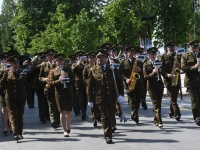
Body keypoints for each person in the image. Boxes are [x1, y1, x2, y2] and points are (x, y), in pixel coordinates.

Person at [87, 49, 124, 144]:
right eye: (98, 58)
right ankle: (108, 136)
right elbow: (90, 86)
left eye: (102, 57)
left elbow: (119, 82)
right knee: (105, 117)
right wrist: (90, 100)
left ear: (106, 59)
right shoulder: (93, 70)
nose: (99, 59)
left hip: (111, 97)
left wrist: (121, 94)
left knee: (111, 116)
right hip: (100, 98)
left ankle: (108, 130)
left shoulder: (112, 69)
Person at [0, 55, 27, 141]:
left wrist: (14, 72)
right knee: (12, 114)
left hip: (21, 95)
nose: (15, 64)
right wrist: (4, 75)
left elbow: (22, 79)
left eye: (17, 63)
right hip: (10, 96)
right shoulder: (7, 72)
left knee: (20, 113)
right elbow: (1, 84)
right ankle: (15, 133)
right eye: (13, 63)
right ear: (10, 64)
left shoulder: (22, 70)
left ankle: (20, 132)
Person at [50, 53, 74, 137]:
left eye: (61, 60)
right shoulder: (53, 71)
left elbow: (73, 80)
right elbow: (51, 83)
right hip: (59, 93)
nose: (60, 62)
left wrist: (67, 77)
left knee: (69, 112)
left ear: (64, 61)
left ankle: (68, 124)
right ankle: (64, 130)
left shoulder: (68, 69)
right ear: (56, 62)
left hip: (68, 92)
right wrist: (59, 80)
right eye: (58, 61)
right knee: (62, 111)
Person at [119, 45, 143, 124]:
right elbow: (120, 74)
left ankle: (134, 114)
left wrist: (140, 70)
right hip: (129, 84)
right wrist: (126, 79)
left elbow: (144, 73)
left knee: (138, 101)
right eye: (130, 52)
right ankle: (135, 116)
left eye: (133, 52)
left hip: (138, 84)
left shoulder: (138, 62)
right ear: (127, 53)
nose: (132, 53)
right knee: (133, 101)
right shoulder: (123, 62)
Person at [143, 47, 166, 128]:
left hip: (159, 85)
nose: (153, 55)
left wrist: (160, 70)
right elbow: (145, 77)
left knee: (158, 103)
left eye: (154, 54)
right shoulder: (146, 64)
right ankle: (160, 122)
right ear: (149, 55)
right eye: (151, 54)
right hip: (151, 86)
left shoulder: (159, 62)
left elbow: (164, 73)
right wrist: (153, 73)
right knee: (155, 103)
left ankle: (156, 119)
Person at [39, 49, 60, 128]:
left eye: (52, 55)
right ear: (47, 57)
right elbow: (40, 77)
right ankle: (53, 121)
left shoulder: (58, 64)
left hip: (57, 87)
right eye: (49, 56)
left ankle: (58, 120)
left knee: (57, 104)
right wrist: (44, 79)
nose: (51, 57)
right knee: (51, 105)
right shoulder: (44, 65)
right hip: (48, 88)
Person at [181, 39, 200, 126]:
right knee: (195, 101)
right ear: (190, 48)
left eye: (197, 47)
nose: (196, 49)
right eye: (194, 47)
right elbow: (184, 68)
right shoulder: (185, 56)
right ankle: (197, 118)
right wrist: (195, 67)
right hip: (191, 81)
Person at [161, 41, 181, 121]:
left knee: (174, 97)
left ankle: (171, 112)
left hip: (176, 78)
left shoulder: (178, 56)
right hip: (168, 79)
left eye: (172, 47)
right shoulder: (163, 56)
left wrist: (180, 66)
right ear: (167, 48)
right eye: (170, 47)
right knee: (172, 97)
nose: (171, 48)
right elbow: (160, 69)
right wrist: (166, 74)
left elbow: (183, 66)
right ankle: (177, 113)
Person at [83, 51, 101, 127]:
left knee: (98, 103)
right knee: (92, 104)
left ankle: (99, 116)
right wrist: (89, 82)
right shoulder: (86, 67)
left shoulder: (98, 66)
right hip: (90, 88)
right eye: (90, 58)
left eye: (93, 58)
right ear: (88, 59)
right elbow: (84, 77)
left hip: (98, 88)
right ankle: (94, 119)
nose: (92, 59)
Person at [31, 53, 47, 123]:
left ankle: (48, 115)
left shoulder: (47, 63)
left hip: (47, 84)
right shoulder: (35, 63)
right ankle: (42, 116)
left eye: (43, 57)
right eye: (41, 57)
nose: (42, 59)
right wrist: (40, 65)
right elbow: (32, 71)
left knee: (47, 101)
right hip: (38, 85)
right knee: (41, 101)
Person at [72, 50, 88, 120]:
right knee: (80, 99)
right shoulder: (74, 64)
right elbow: (72, 71)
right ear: (77, 57)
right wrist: (78, 64)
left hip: (85, 84)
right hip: (78, 84)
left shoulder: (86, 64)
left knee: (85, 99)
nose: (80, 58)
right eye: (79, 57)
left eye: (82, 57)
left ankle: (84, 111)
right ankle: (83, 113)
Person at [0, 52, 11, 135]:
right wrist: (3, 72)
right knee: (4, 109)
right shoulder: (0, 68)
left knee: (11, 108)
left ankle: (11, 125)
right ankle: (5, 128)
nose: (6, 60)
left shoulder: (12, 67)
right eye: (4, 59)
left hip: (11, 90)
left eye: (7, 59)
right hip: (2, 91)